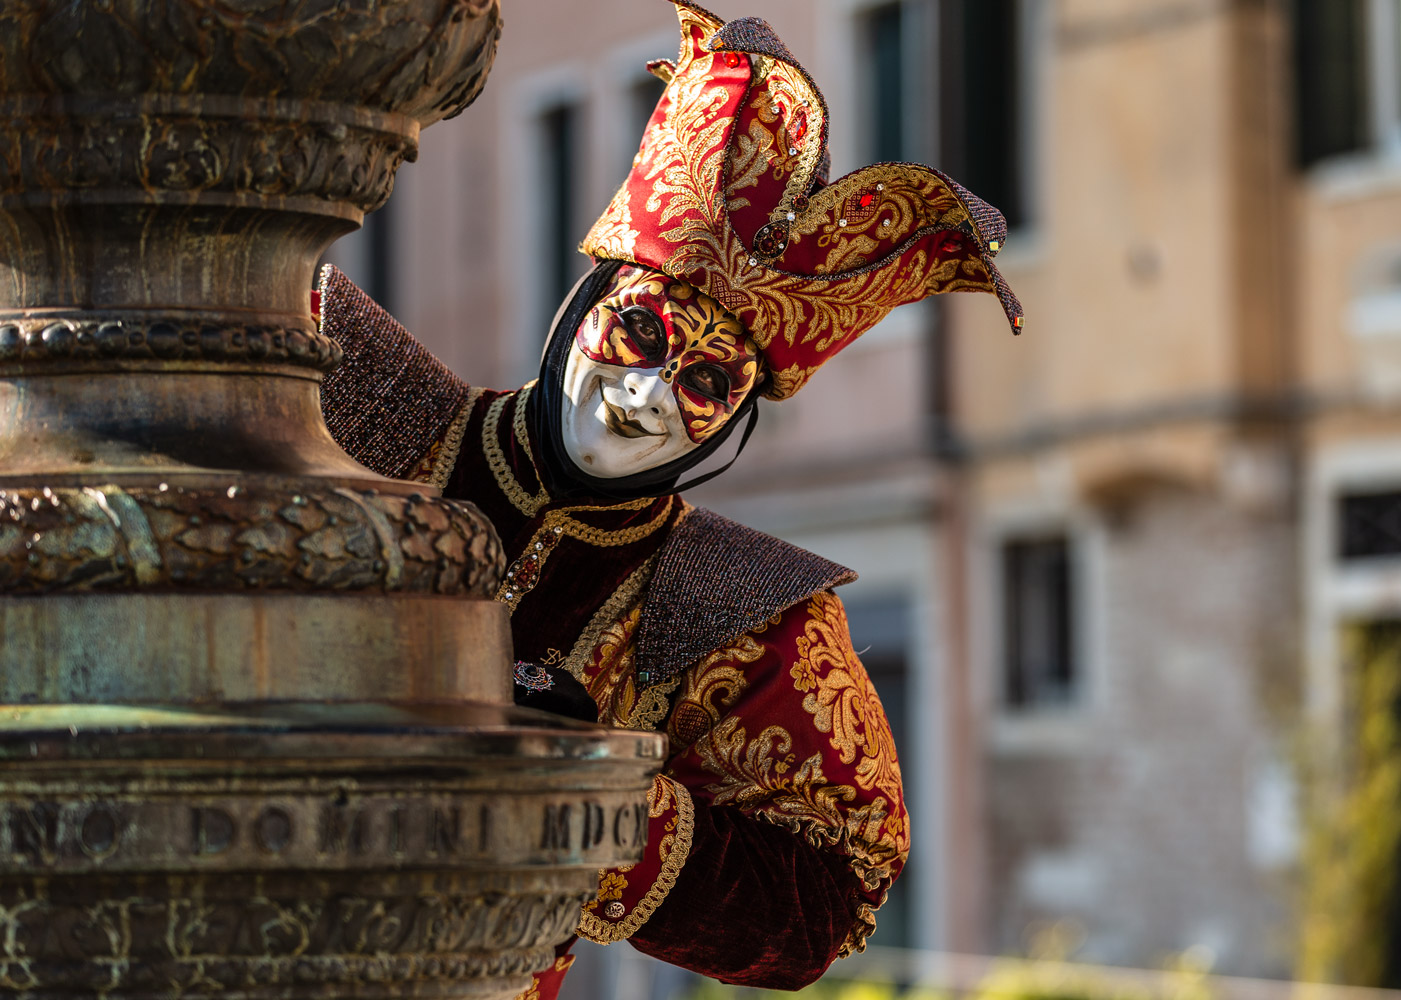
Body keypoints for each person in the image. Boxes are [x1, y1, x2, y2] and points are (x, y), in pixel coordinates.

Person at [315, 2, 1023, 996]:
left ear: (737, 414)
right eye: (641, 334)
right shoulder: (363, 394)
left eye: (706, 380)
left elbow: (824, 897)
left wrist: (591, 802)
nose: (649, 396)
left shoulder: (732, 609)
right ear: (586, 305)